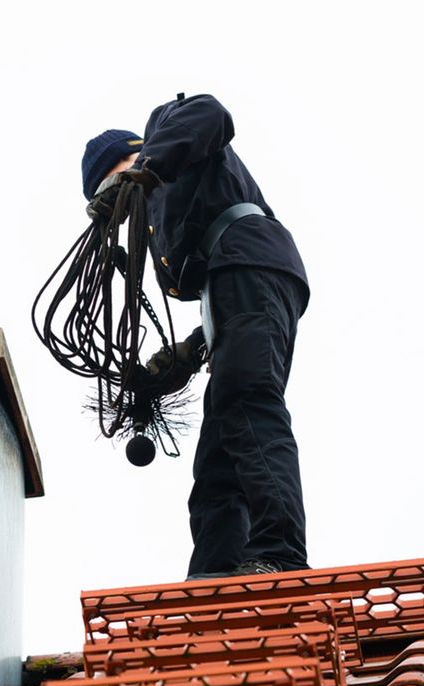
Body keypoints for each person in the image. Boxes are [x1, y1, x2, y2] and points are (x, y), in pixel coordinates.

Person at [81, 93, 311, 580]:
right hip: (236, 284)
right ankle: (213, 577)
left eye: (111, 184)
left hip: (250, 260)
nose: (121, 201)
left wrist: (144, 169)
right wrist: (187, 354)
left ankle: (280, 554)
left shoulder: (166, 132)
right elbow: (223, 292)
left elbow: (212, 112)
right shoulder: (167, 220)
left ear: (126, 159)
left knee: (248, 403)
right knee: (216, 459)